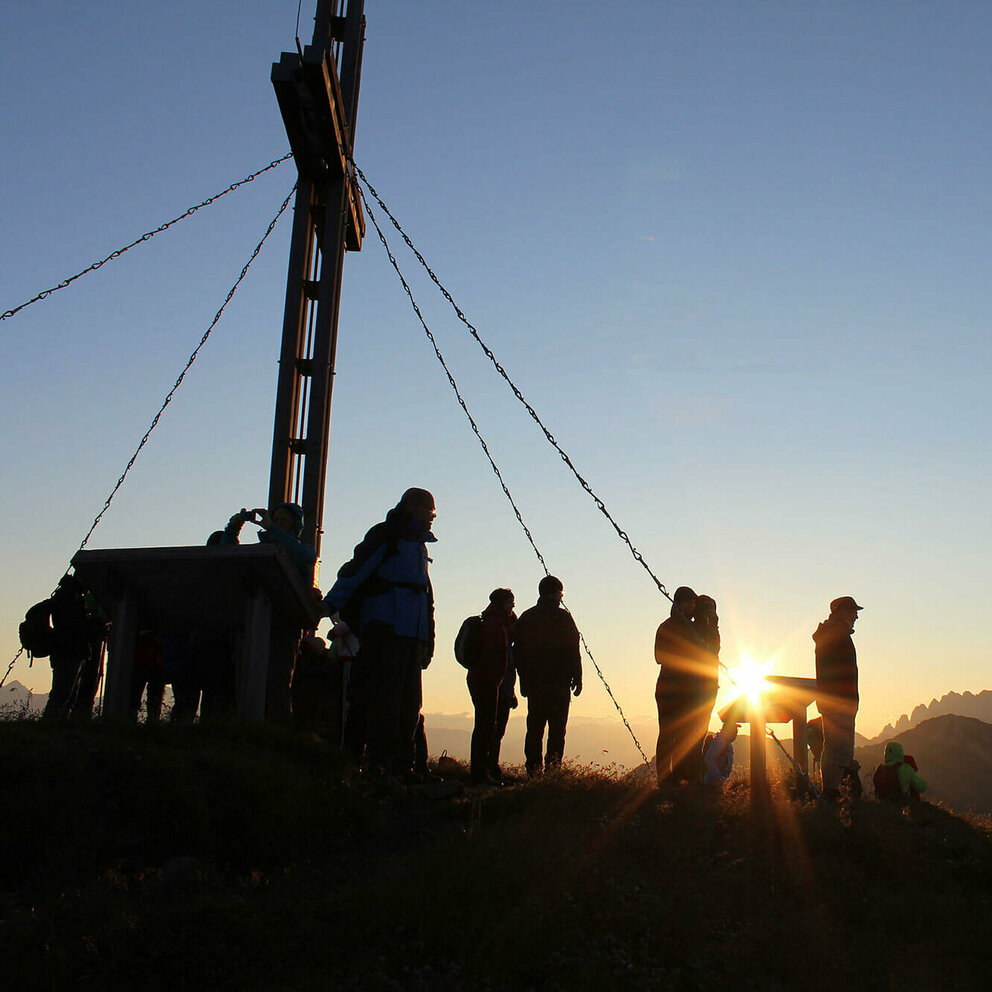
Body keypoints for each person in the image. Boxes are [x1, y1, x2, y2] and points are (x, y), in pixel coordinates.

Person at [323, 488, 436, 779]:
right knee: (382, 699)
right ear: (411, 507)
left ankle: (401, 764)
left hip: (410, 634)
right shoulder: (387, 537)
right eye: (428, 511)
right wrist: (328, 605)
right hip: (384, 630)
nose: (431, 518)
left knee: (409, 702)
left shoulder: (417, 545)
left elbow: (424, 597)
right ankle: (377, 763)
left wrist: (426, 640)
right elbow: (355, 572)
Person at [224, 502, 318, 722]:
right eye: (275, 519)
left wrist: (272, 530)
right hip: (254, 620)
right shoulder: (261, 552)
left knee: (278, 679)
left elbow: (303, 558)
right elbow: (227, 556)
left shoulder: (302, 550)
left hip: (285, 623)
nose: (276, 524)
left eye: (283, 520)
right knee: (246, 677)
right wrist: (233, 529)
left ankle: (277, 728)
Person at [512, 576, 581, 777]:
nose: (561, 597)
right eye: (561, 593)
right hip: (559, 684)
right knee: (557, 731)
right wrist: (577, 677)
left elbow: (518, 653)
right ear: (556, 593)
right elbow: (573, 649)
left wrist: (523, 679)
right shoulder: (563, 617)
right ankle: (552, 771)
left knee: (534, 729)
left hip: (535, 684)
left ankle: (533, 771)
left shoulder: (527, 617)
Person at [653, 585, 708, 786]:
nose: (691, 606)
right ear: (678, 604)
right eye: (687, 602)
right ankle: (664, 780)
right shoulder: (667, 627)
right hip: (669, 689)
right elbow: (659, 656)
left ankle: (677, 778)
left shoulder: (695, 629)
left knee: (683, 736)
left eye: (693, 602)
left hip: (686, 691)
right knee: (668, 734)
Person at [813, 595, 863, 801]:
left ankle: (831, 791)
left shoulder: (830, 634)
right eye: (853, 612)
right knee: (839, 749)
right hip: (840, 700)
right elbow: (837, 670)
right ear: (841, 612)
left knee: (833, 747)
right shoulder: (836, 634)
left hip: (833, 699)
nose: (856, 617)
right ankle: (832, 795)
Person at [465, 588, 516, 784]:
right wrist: (499, 684)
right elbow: (496, 658)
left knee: (485, 726)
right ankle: (481, 774)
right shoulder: (496, 626)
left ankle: (483, 771)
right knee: (486, 728)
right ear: (504, 603)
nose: (512, 606)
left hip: (483, 680)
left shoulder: (491, 621)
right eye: (511, 602)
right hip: (489, 682)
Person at [43, 575, 91, 720]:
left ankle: (54, 723)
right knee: (63, 693)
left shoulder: (63, 595)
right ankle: (52, 722)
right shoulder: (71, 598)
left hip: (62, 650)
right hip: (71, 651)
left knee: (62, 692)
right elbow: (75, 625)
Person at [703, 718, 739, 786]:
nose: (736, 733)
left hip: (718, 783)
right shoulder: (720, 742)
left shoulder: (727, 744)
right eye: (735, 730)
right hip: (712, 783)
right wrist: (717, 776)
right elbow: (708, 758)